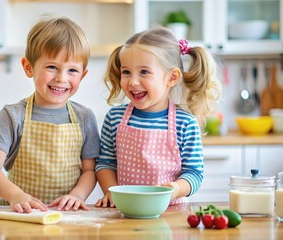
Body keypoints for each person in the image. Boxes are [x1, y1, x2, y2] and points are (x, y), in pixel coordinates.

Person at [0, 17, 100, 213]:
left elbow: (89, 171)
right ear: (29, 67)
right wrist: (15, 195)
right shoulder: (13, 115)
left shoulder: (84, 117)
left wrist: (77, 196)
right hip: (19, 215)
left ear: (82, 75)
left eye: (72, 70)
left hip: (67, 217)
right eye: (52, 67)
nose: (61, 78)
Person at [94, 26, 221, 207]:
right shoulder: (114, 118)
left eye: (144, 72)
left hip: (171, 213)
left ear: (172, 77)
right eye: (126, 72)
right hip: (124, 211)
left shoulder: (185, 123)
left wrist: (176, 189)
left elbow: (194, 173)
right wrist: (111, 192)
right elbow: (105, 164)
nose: (133, 81)